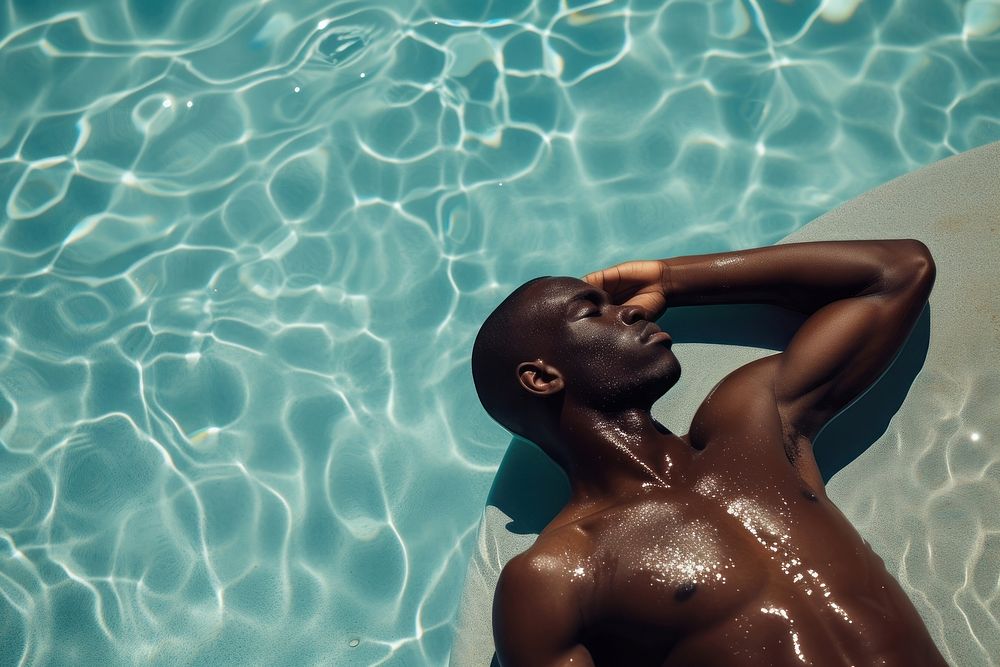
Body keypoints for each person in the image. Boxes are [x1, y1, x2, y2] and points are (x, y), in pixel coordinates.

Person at [471, 239, 948, 666]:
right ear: (542, 378)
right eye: (591, 312)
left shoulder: (750, 427)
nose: (633, 311)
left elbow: (899, 271)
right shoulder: (556, 574)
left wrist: (674, 278)